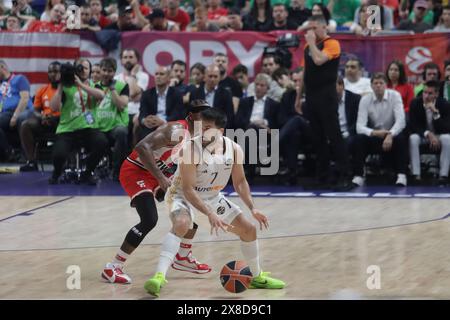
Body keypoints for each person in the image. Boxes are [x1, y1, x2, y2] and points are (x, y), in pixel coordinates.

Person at [144, 107, 285, 297]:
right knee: (182, 224)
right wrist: (209, 214)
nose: (201, 131)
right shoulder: (190, 149)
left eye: (207, 127)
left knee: (249, 230)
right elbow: (188, 189)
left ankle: (257, 277)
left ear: (220, 131)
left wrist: (253, 208)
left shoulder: (234, 148)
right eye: (200, 126)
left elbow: (240, 182)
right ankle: (159, 277)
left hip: (212, 196)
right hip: (181, 195)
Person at [102, 100, 213, 284]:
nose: (207, 118)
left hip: (156, 173)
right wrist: (161, 178)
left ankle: (183, 257)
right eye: (203, 114)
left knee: (193, 203)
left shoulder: (197, 136)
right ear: (192, 116)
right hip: (135, 170)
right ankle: (112, 267)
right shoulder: (176, 129)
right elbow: (141, 147)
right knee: (149, 220)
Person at [301, 15, 352, 190]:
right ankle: (322, 176)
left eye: (315, 28)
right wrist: (298, 97)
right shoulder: (308, 46)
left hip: (327, 95)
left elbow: (319, 60)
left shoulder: (332, 43)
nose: (311, 32)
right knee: (317, 138)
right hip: (311, 96)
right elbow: (304, 73)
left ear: (324, 28)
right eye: (310, 28)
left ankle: (345, 175)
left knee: (334, 136)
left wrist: (312, 43)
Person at [48, 59, 109, 185]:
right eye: (80, 68)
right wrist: (60, 86)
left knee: (102, 142)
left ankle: (87, 173)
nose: (83, 70)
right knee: (58, 154)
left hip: (88, 128)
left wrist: (80, 84)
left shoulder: (93, 85)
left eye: (86, 68)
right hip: (67, 129)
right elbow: (53, 107)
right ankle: (57, 172)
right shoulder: (65, 87)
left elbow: (101, 95)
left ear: (90, 71)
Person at [353, 73, 408, 187]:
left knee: (402, 137)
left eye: (381, 83)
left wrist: (390, 135)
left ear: (386, 85)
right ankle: (358, 175)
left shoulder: (395, 95)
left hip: (392, 134)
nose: (378, 86)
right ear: (371, 86)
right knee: (359, 139)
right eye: (375, 83)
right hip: (375, 135)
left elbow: (401, 121)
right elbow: (359, 127)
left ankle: (401, 175)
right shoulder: (365, 99)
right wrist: (374, 133)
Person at [19, 62, 61, 172]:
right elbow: (36, 111)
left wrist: (54, 118)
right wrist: (42, 117)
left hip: (61, 122)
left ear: (61, 73)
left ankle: (66, 162)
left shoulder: (67, 90)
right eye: (50, 71)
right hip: (45, 121)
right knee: (26, 125)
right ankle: (31, 161)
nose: (53, 74)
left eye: (56, 71)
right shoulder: (42, 90)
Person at [94, 57, 129, 181]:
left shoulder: (122, 86)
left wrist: (113, 89)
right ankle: (92, 169)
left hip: (115, 126)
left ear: (114, 72)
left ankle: (117, 170)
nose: (106, 73)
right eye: (104, 70)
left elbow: (121, 105)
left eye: (110, 71)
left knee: (122, 132)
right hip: (98, 127)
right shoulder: (94, 87)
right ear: (100, 70)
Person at [409, 80, 450, 186]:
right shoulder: (415, 103)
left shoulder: (444, 104)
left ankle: (443, 175)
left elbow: (446, 128)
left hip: (439, 135)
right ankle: (416, 175)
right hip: (423, 135)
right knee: (413, 138)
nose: (426, 96)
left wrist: (435, 113)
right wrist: (428, 134)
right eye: (425, 92)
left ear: (436, 94)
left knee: (447, 138)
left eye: (430, 93)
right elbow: (413, 125)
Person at [0, 60, 33, 161]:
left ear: (2, 67)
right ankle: (9, 153)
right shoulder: (1, 84)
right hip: (5, 113)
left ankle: (26, 155)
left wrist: (15, 116)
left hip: (22, 110)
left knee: (21, 117)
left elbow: (24, 99)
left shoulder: (19, 79)